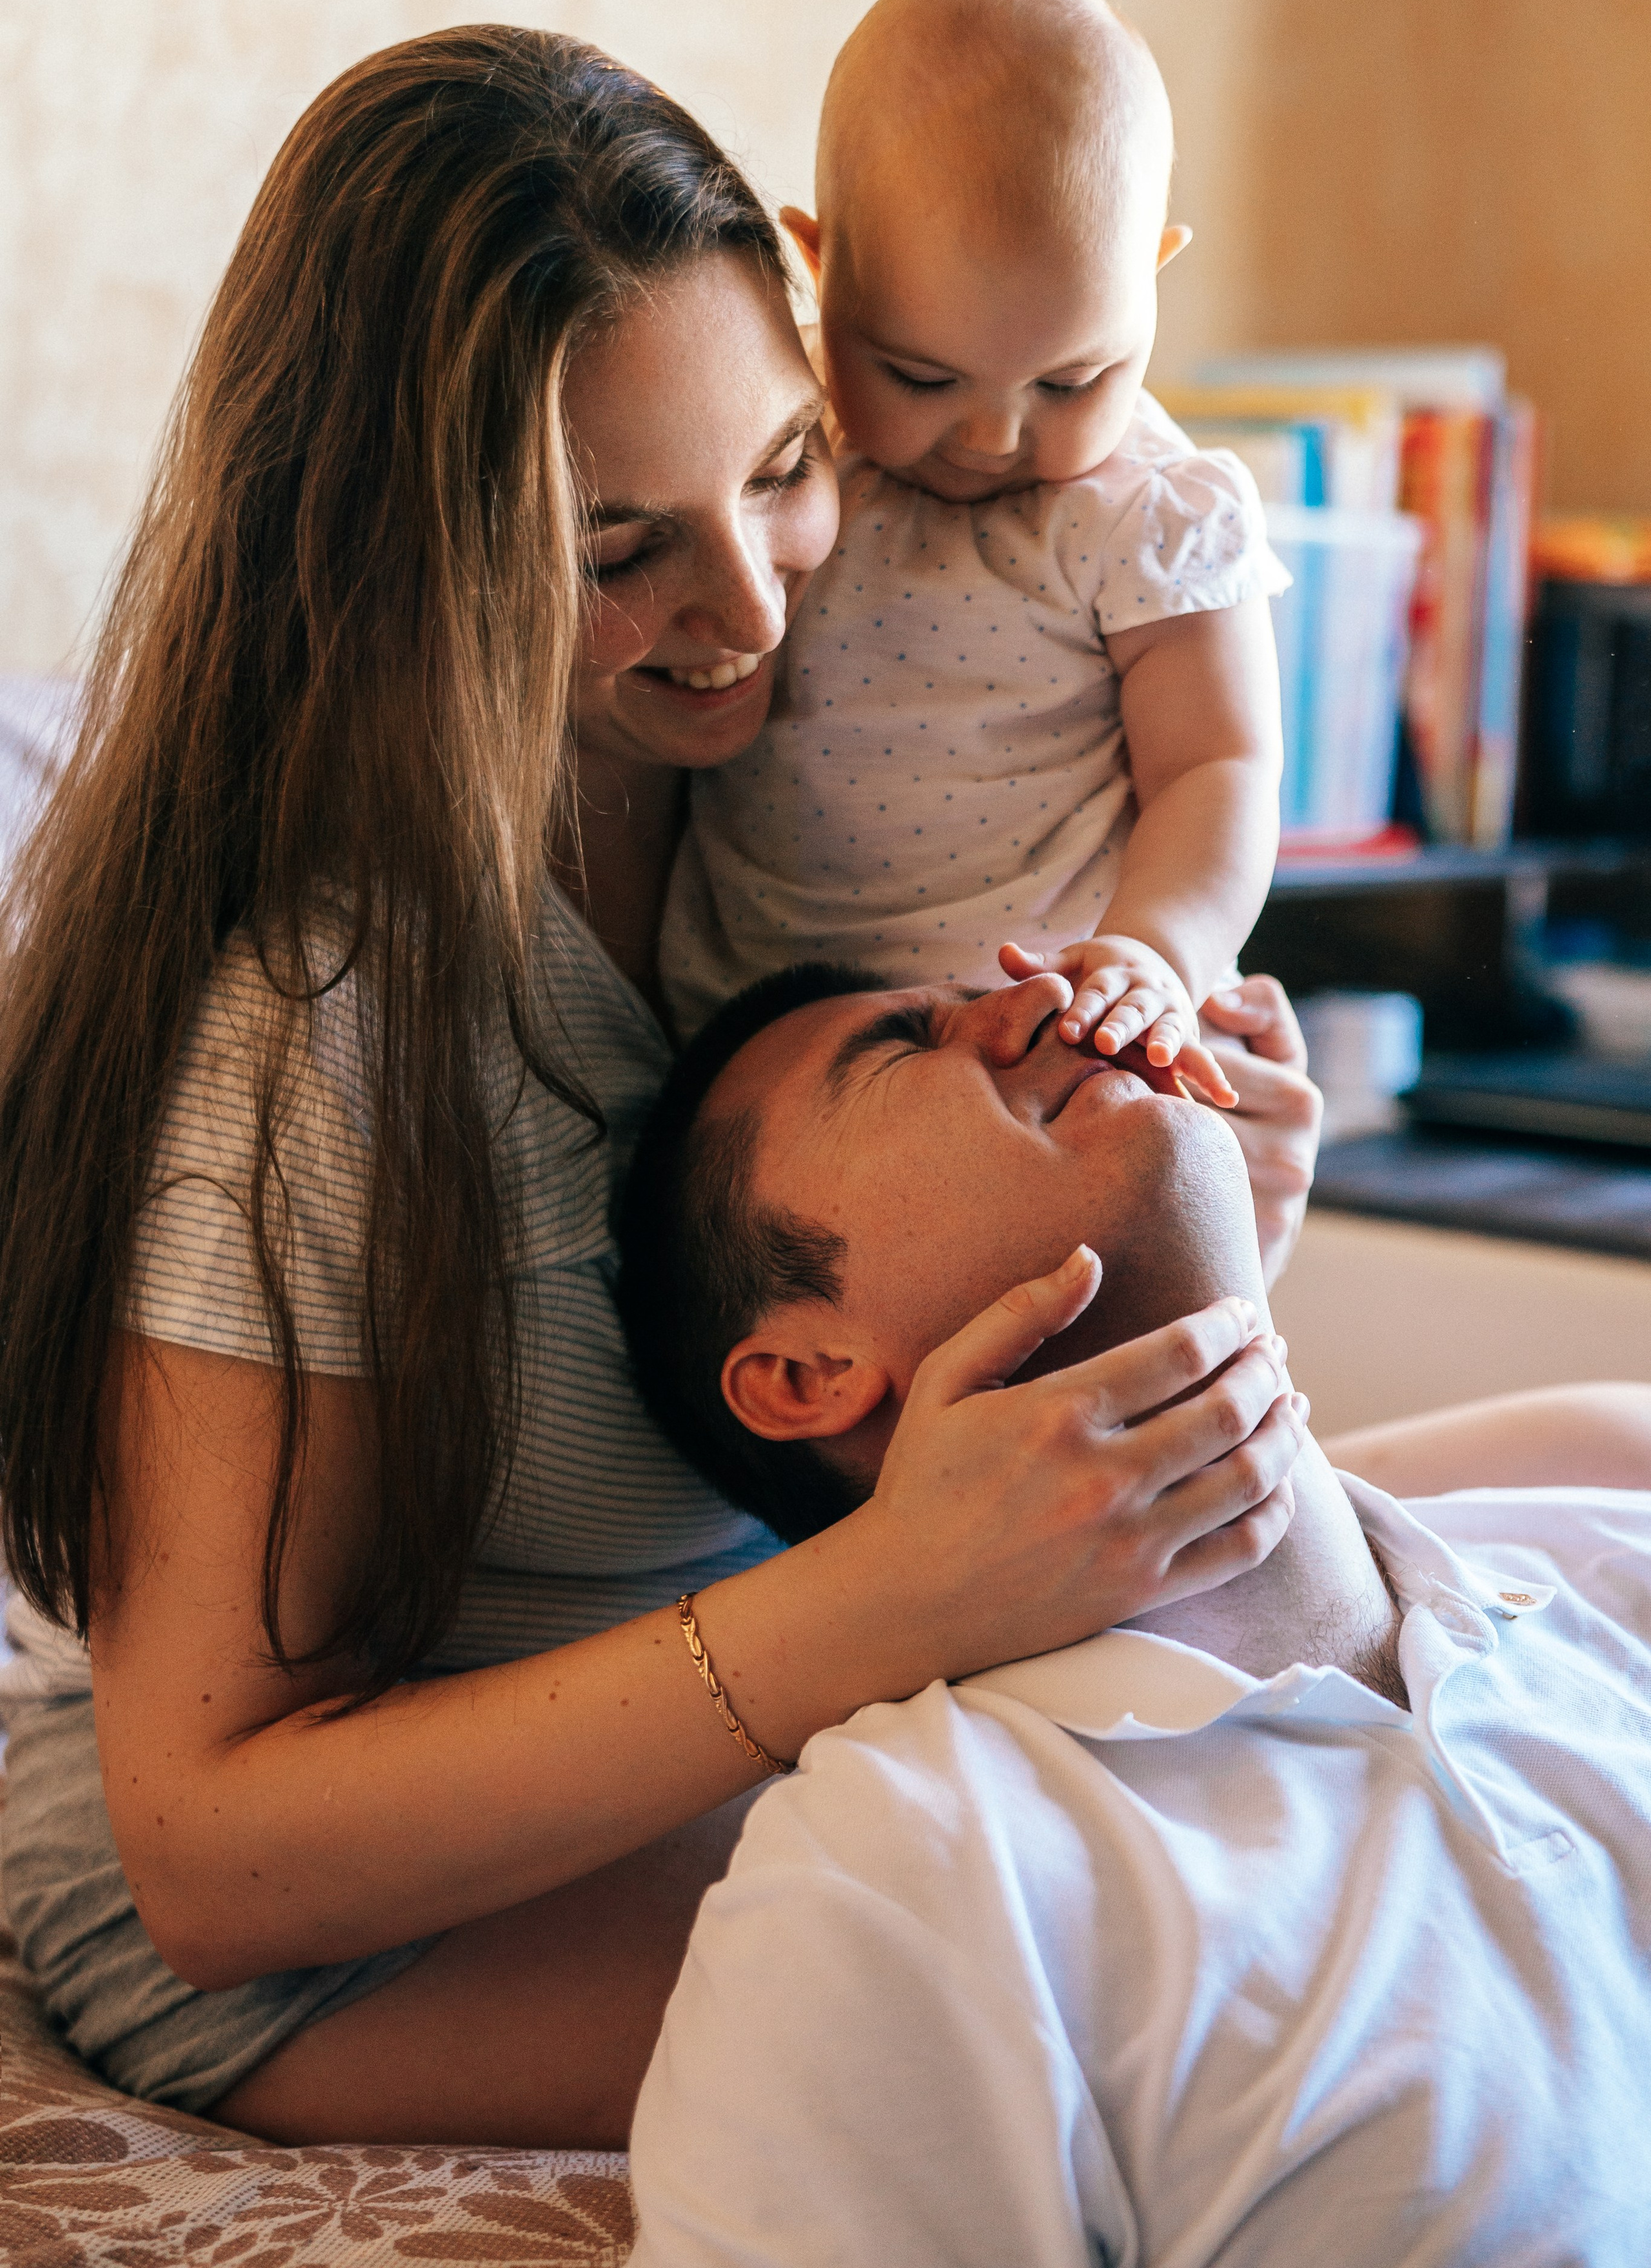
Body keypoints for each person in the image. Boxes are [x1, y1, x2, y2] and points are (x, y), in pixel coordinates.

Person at [0, 26, 1314, 2152]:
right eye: (621, 551)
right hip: (320, 1922)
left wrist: (1208, 1229)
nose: (754, 607)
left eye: (788, 464)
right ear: (403, 557)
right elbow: (213, 1860)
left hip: (760, 1741)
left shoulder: (799, 796)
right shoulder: (313, 1032)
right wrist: (874, 1617)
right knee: (1143, 2011)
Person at [617, 964, 1651, 2266]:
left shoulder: (1606, 1551)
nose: (1039, 999)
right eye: (905, 1043)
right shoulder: (921, 1871)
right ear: (809, 1371)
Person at [662, 0, 1289, 1107]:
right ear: (818, 262)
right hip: (750, 1052)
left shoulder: (1146, 513)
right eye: (921, 373)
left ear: (1149, 276)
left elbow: (1220, 764)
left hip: (1046, 1049)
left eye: (1073, 377)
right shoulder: (780, 449)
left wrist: (1158, 953)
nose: (996, 435)